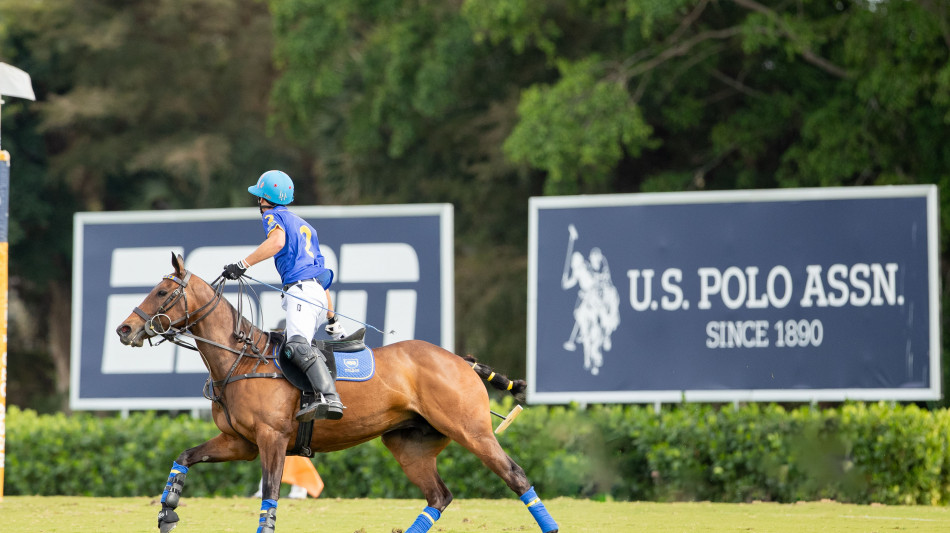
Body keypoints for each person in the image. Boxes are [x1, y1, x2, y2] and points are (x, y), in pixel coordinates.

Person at [221, 169, 345, 421]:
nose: (258, 202)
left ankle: (329, 397)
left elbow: (276, 242)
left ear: (264, 198)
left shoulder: (273, 215)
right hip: (316, 294)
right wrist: (332, 319)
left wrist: (242, 264)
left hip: (302, 292)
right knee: (295, 349)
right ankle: (306, 400)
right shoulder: (306, 226)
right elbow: (321, 277)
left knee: (296, 346)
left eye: (259, 197)